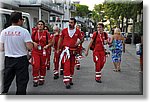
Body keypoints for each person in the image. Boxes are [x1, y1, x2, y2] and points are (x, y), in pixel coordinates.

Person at [0, 12, 37, 95]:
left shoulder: (4, 32)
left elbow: (1, 48)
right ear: (19, 20)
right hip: (21, 59)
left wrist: (10, 46)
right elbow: (29, 47)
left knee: (6, 80)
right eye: (22, 20)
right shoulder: (24, 31)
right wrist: (33, 44)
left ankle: (3, 93)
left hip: (8, 59)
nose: (23, 21)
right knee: (21, 82)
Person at [57, 18, 83, 89]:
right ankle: (66, 81)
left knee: (72, 66)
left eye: (71, 22)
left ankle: (70, 79)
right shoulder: (64, 31)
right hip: (66, 51)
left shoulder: (77, 31)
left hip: (73, 51)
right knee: (67, 66)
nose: (70, 24)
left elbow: (81, 39)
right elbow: (60, 39)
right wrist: (58, 48)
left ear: (74, 23)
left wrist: (78, 42)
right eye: (69, 22)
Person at [31, 20, 53, 87]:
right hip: (35, 51)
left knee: (43, 66)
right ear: (37, 25)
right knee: (36, 65)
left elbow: (50, 42)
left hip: (43, 51)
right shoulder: (34, 33)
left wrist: (47, 46)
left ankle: (41, 78)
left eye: (41, 24)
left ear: (43, 26)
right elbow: (30, 41)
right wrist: (33, 43)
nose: (40, 26)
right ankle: (35, 79)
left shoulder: (46, 33)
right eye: (39, 24)